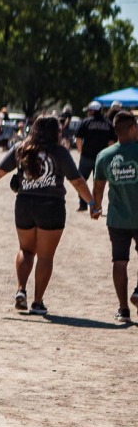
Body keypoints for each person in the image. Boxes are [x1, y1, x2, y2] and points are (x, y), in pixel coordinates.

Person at [0, 115, 96, 316]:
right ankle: (37, 303)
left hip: (24, 204)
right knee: (45, 256)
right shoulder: (59, 152)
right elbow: (77, 181)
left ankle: (21, 290)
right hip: (51, 206)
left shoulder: (21, 148)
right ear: (55, 133)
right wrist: (91, 203)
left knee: (26, 250)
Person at [89, 109, 138, 321]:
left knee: (119, 261)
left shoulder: (104, 156)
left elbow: (98, 188)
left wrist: (96, 207)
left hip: (117, 219)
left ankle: (123, 309)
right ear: (134, 128)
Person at [75, 101, 115, 211]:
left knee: (81, 180)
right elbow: (111, 142)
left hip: (86, 157)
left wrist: (81, 151)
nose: (88, 113)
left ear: (92, 111)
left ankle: (83, 204)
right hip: (101, 158)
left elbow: (78, 138)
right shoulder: (108, 123)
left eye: (89, 111)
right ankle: (97, 206)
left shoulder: (86, 122)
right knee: (99, 183)